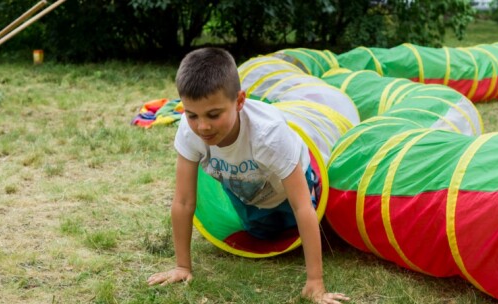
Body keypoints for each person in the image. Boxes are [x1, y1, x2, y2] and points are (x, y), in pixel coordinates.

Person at [147, 47, 350, 304]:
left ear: (240, 101)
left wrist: (315, 283)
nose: (203, 126)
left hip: (289, 185)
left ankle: (317, 190)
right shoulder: (191, 134)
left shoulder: (268, 135)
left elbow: (301, 206)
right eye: (192, 115)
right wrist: (182, 266)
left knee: (307, 223)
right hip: (247, 193)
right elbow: (184, 201)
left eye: (214, 114)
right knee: (263, 234)